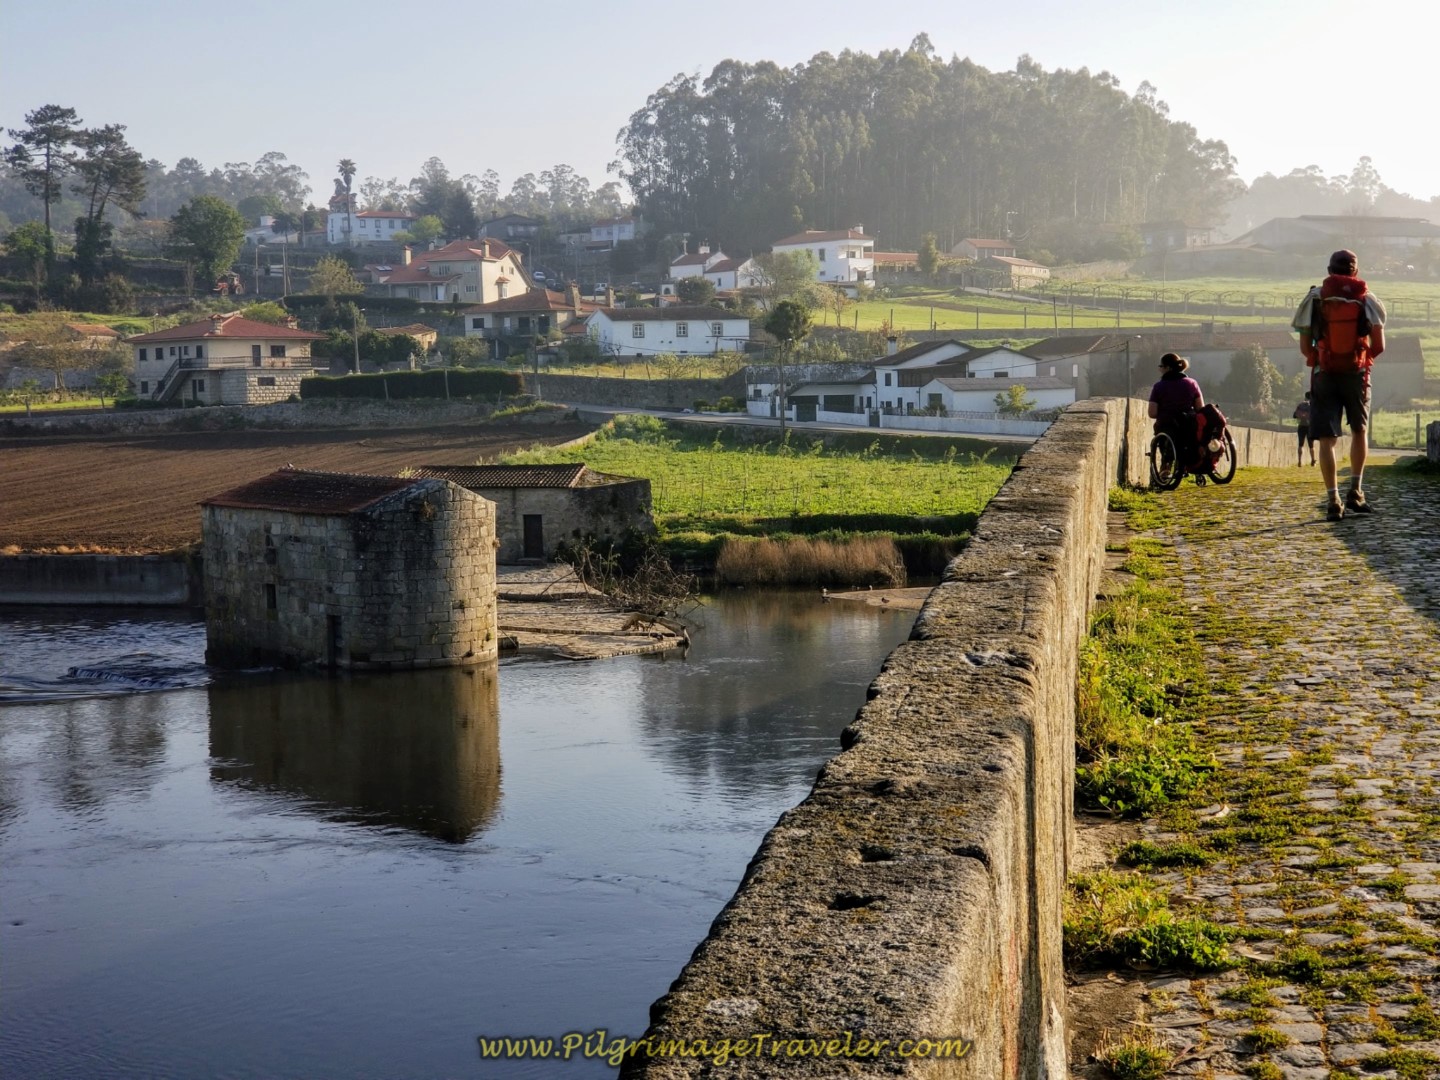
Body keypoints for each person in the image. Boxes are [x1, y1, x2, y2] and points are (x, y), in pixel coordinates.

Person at [1293, 249, 1387, 520]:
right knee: (1359, 431)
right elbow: (1379, 346)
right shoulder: (1367, 298)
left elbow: (1304, 345)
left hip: (1325, 374)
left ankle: (1333, 498)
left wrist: (1321, 358)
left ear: (1329, 269)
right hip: (1356, 374)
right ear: (1355, 272)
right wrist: (1359, 359)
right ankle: (1356, 491)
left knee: (1327, 439)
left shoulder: (1314, 298)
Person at [1148, 352, 1204, 471]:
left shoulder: (1159, 386)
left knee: (1162, 432)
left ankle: (1166, 465)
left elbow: (1152, 413)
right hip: (1188, 423)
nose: (1160, 370)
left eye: (1161, 367)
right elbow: (1200, 408)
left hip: (1167, 423)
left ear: (1167, 368)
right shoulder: (1192, 383)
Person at [1293, 391, 1316, 467]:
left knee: (1300, 444)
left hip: (1301, 426)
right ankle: (1313, 461)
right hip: (1310, 426)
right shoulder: (1312, 405)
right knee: (1311, 445)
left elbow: (1294, 415)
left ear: (1305, 397)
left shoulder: (1300, 405)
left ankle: (1299, 461)